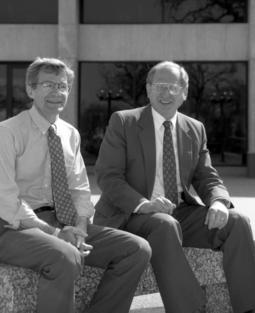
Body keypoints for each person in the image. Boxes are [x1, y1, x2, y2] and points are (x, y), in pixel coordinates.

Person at [94, 60, 255, 313]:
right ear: (148, 89)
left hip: (179, 212)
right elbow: (108, 176)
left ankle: (250, 307)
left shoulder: (194, 128)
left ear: (184, 93)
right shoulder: (124, 122)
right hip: (130, 214)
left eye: (173, 87)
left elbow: (207, 176)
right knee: (164, 224)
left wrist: (218, 202)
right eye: (160, 86)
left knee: (237, 221)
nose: (166, 93)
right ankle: (188, 309)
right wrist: (144, 205)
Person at [0, 57, 151, 313]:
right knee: (65, 255)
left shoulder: (70, 133)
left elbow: (79, 187)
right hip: (12, 227)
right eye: (48, 85)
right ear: (30, 89)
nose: (57, 92)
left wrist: (80, 228)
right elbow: (5, 198)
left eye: (63, 86)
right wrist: (56, 234)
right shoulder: (8, 132)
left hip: (63, 222)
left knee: (136, 249)